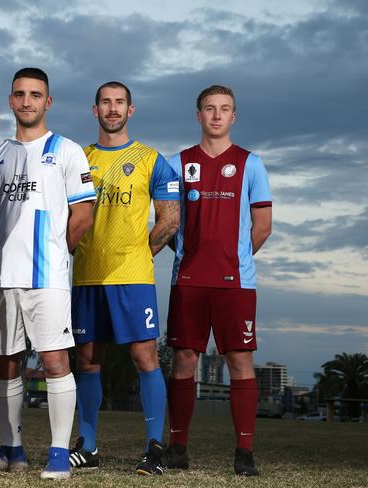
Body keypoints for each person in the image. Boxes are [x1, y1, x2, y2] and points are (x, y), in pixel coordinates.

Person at [0, 67, 96, 480]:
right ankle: (11, 450)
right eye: (19, 94)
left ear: (47, 102)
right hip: (0, 277)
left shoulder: (68, 151)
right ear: (10, 100)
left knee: (55, 360)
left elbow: (84, 215)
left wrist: (56, 250)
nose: (27, 101)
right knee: (3, 364)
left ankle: (58, 454)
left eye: (35, 94)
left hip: (47, 277)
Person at [69, 81, 180, 475]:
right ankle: (88, 446)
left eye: (119, 103)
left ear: (130, 110)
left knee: (144, 356)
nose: (112, 109)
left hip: (133, 276)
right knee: (88, 359)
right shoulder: (77, 158)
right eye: (105, 103)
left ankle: (154, 448)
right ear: (94, 109)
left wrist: (136, 253)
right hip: (86, 276)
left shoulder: (151, 159)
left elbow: (170, 219)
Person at [164, 85, 272, 476]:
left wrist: (235, 258)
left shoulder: (251, 164)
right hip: (188, 279)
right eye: (209, 109)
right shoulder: (176, 163)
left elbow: (263, 227)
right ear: (198, 115)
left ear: (233, 116)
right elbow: (167, 220)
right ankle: (177, 447)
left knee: (240, 361)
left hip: (235, 283)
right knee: (183, 361)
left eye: (224, 109)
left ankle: (244, 452)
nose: (216, 116)